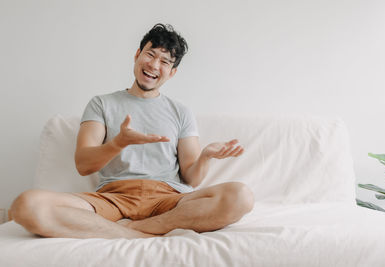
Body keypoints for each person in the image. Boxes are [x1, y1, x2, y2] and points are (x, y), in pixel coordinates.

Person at [9, 23, 254, 239]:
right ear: (137, 55)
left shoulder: (181, 112)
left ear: (172, 72)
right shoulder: (101, 104)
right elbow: (83, 164)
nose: (154, 65)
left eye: (165, 61)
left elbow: (192, 179)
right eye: (150, 54)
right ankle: (139, 233)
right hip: (112, 198)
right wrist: (118, 143)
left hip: (167, 199)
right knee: (25, 206)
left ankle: (133, 230)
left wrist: (206, 156)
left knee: (241, 196)